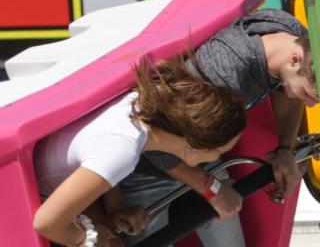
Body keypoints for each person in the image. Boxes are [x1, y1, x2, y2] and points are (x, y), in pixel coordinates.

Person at [114, 7, 320, 247]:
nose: (310, 104)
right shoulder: (224, 72)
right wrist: (210, 188)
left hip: (205, 160)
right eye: (307, 94)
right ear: (295, 59)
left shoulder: (290, 33)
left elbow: (285, 88)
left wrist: (285, 148)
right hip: (148, 168)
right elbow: (153, 138)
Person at [33, 55, 248, 247]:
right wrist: (90, 238)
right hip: (37, 200)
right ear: (194, 149)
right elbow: (46, 222)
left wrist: (114, 208)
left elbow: (97, 155)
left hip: (57, 186)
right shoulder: (124, 149)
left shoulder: (141, 105)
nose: (218, 158)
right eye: (219, 151)